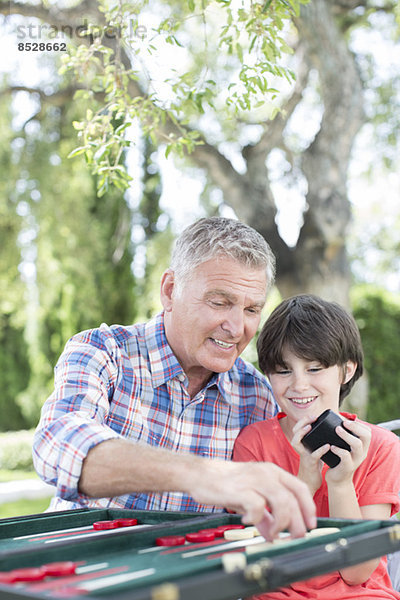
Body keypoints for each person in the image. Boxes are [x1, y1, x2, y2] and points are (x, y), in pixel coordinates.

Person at [32, 217, 316, 540]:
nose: (237, 329)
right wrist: (204, 475)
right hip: (79, 569)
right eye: (220, 302)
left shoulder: (257, 397)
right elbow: (57, 449)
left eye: (252, 310)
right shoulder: (104, 352)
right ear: (170, 291)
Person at [234, 294, 400, 599]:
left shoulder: (382, 447)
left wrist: (340, 483)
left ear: (346, 371)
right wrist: (305, 484)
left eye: (315, 368)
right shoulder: (254, 444)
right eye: (284, 371)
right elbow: (261, 561)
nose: (298, 385)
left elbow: (356, 572)